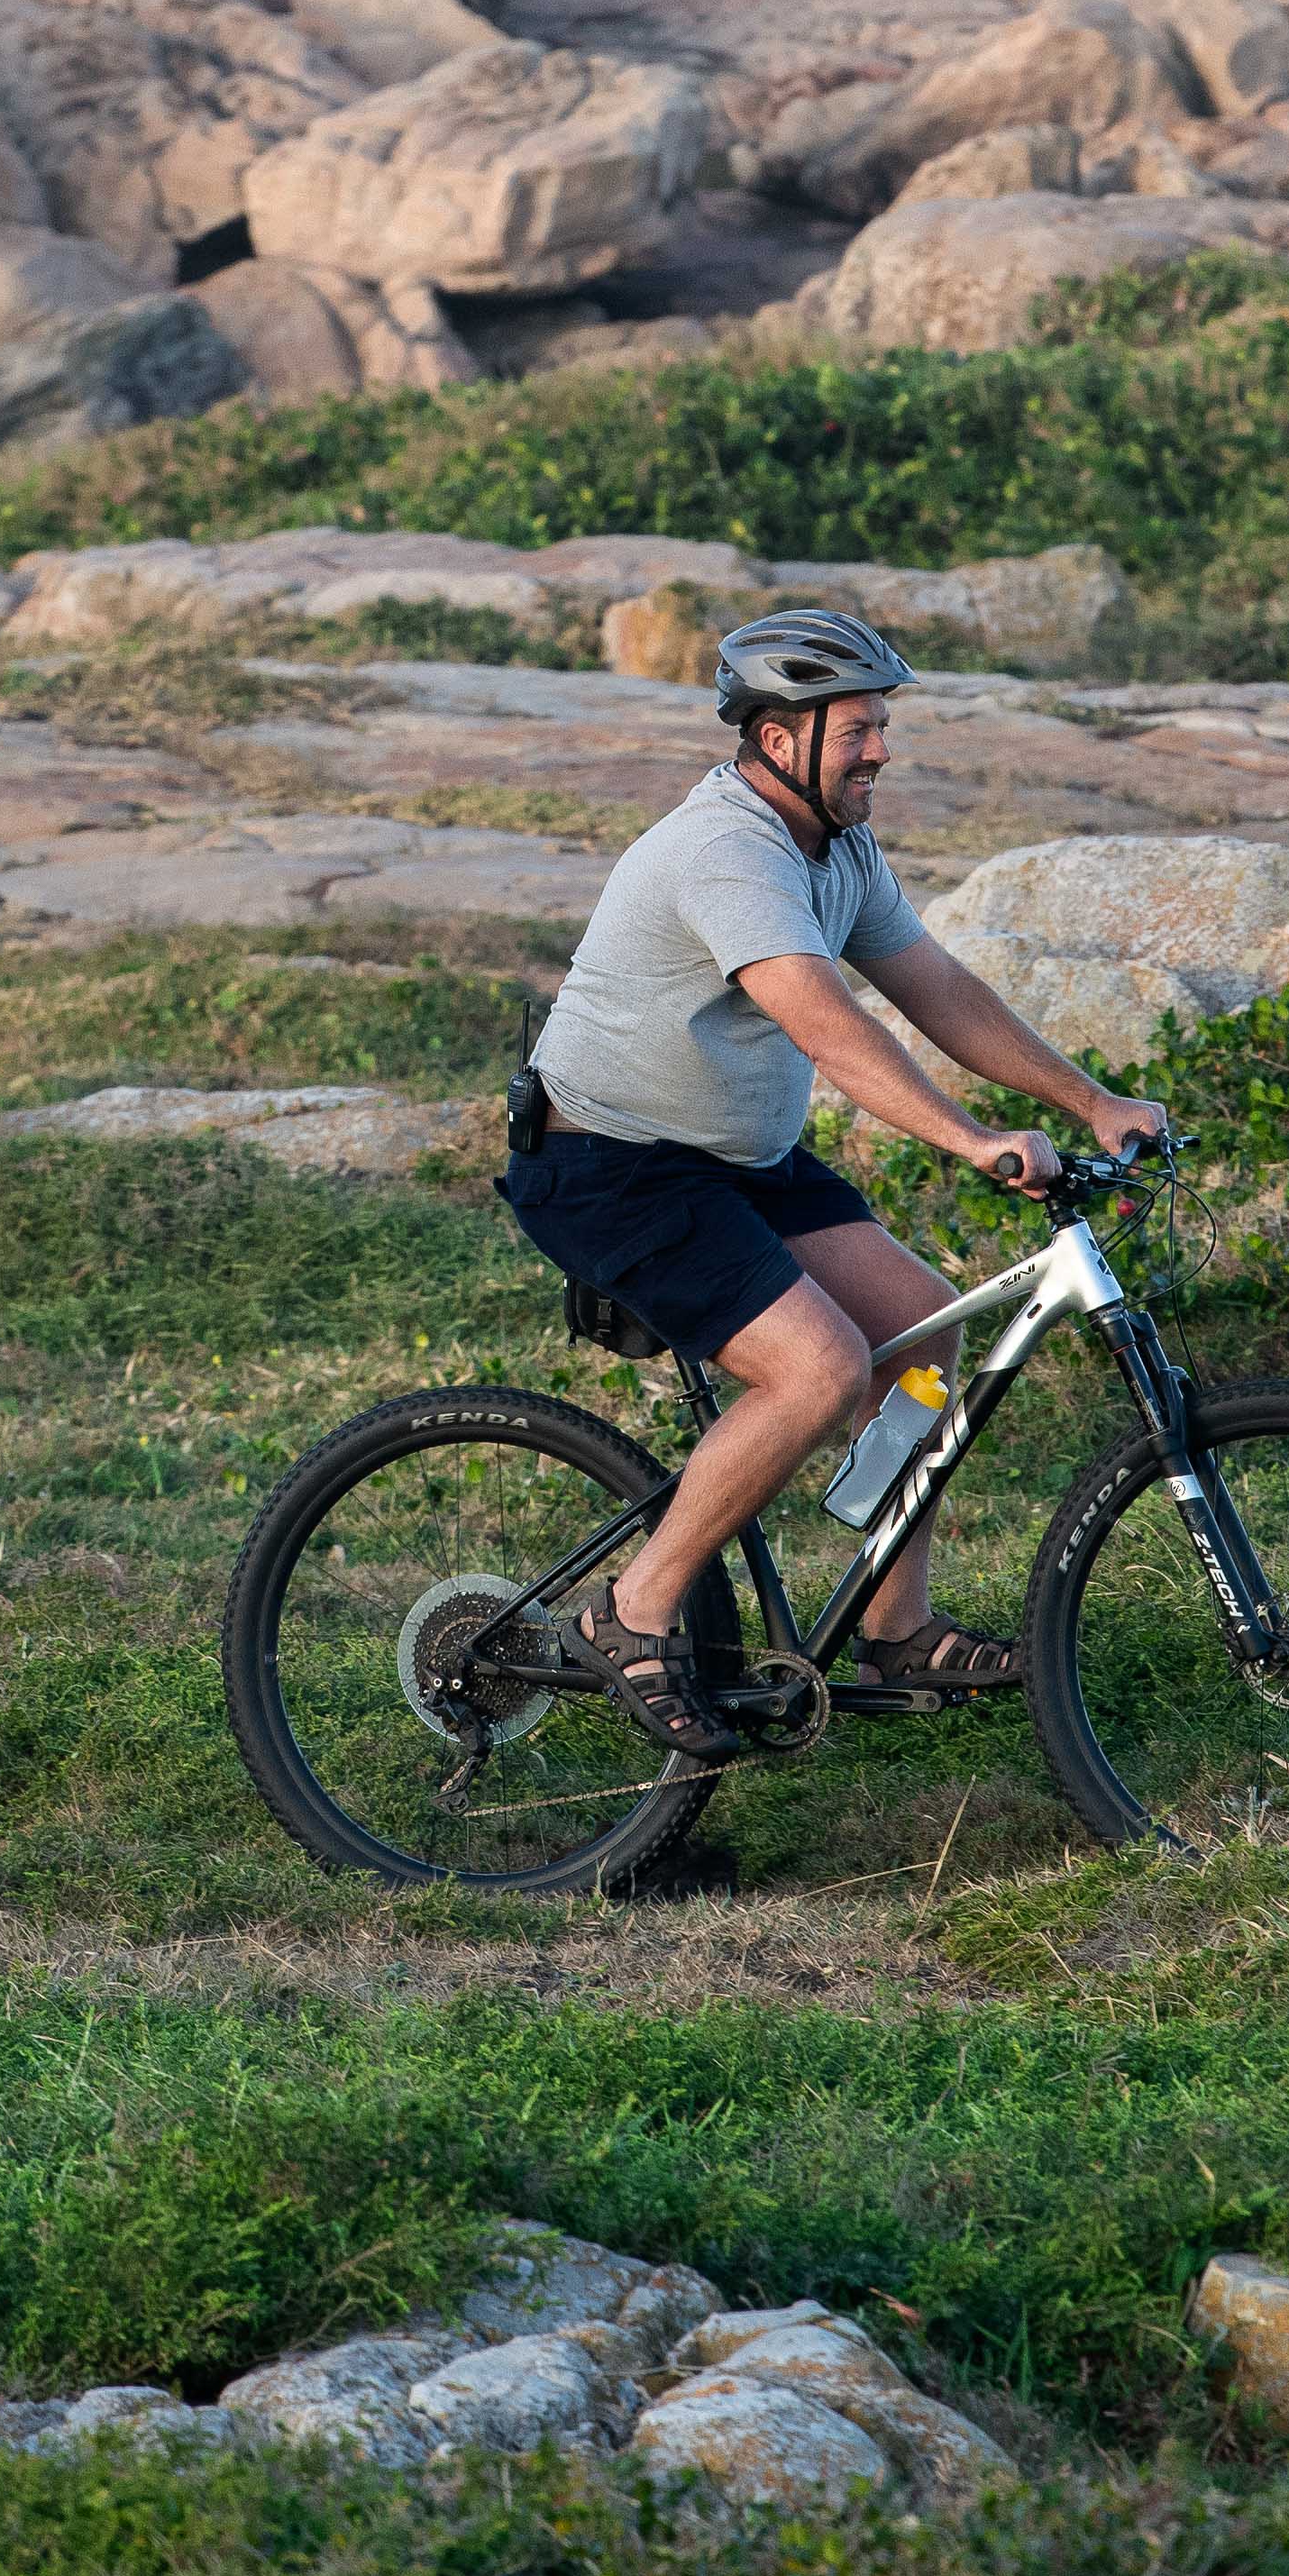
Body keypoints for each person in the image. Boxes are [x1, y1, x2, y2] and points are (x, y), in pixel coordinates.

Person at [504, 602, 1167, 1757]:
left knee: (917, 1328)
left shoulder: (837, 846)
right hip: (611, 1160)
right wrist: (968, 1139)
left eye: (880, 725)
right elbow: (824, 1023)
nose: (880, 749)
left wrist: (1087, 1100)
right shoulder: (727, 849)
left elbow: (935, 985)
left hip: (735, 1155)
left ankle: (888, 1625)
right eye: (858, 728)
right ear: (778, 736)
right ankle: (634, 1607)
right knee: (817, 1370)